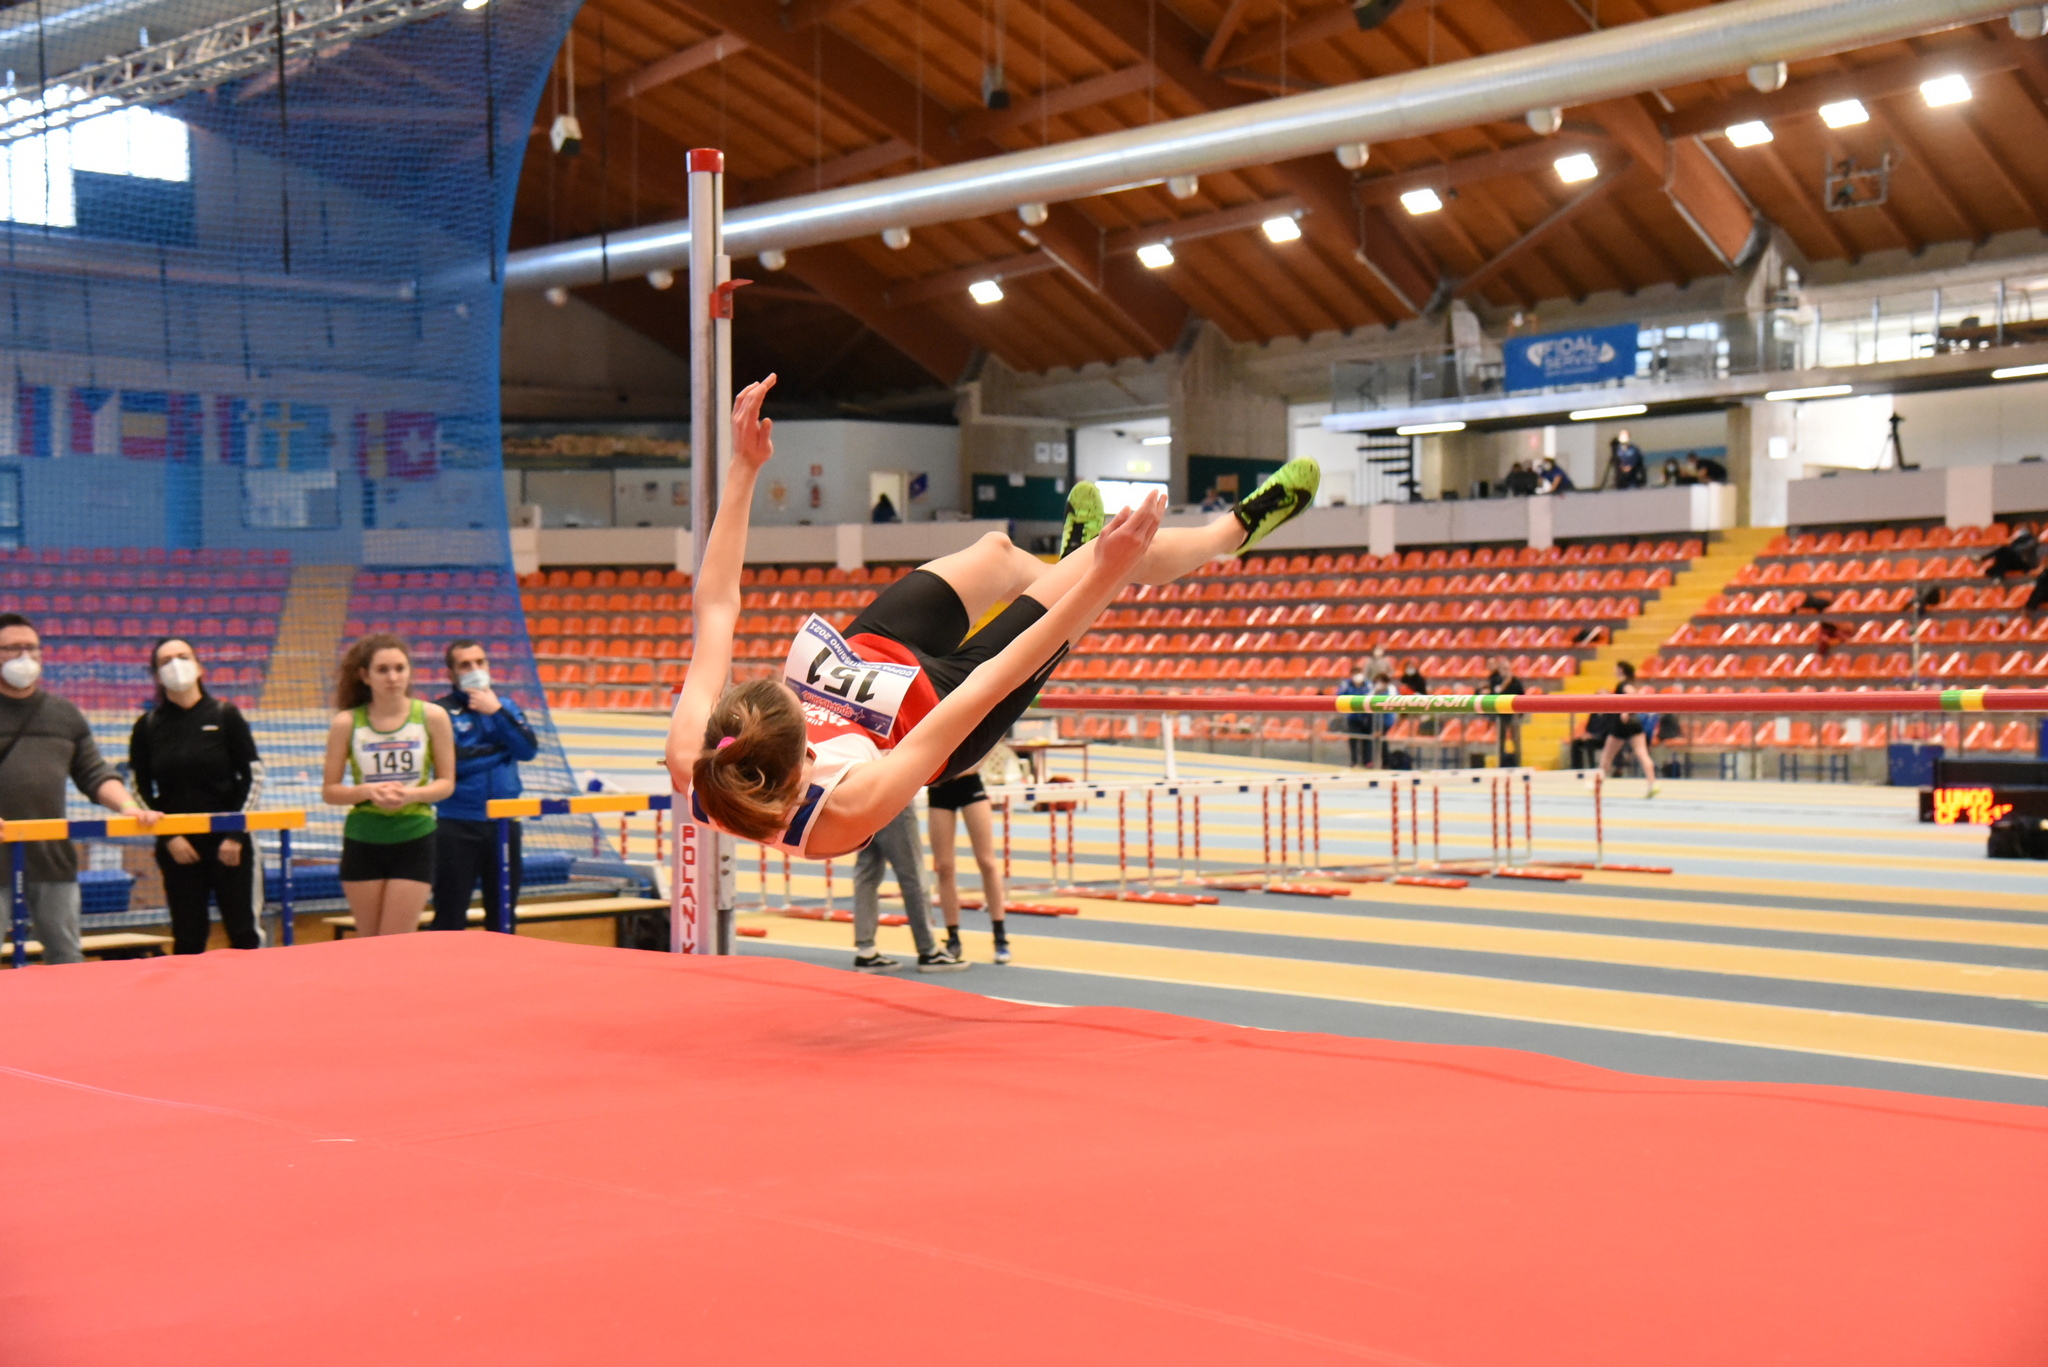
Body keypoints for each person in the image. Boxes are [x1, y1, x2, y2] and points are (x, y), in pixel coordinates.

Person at [666, 374, 1318, 859]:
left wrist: (744, 467)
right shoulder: (845, 809)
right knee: (1108, 554)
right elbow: (991, 682)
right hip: (945, 707)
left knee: (998, 554)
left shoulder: (696, 754)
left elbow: (717, 603)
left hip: (867, 658)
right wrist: (1099, 578)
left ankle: (1068, 566)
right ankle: (1232, 530)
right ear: (803, 761)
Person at [0, 614, 159, 963]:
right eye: (12, 648)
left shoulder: (63, 714)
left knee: (66, 957)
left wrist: (128, 807)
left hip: (51, 860)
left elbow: (93, 773)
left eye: (32, 648)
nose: (24, 656)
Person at [128, 638, 264, 956]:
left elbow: (253, 777)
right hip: (179, 848)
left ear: (199, 666)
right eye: (166, 661)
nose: (176, 665)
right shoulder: (147, 726)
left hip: (230, 845)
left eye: (183, 656)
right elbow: (139, 788)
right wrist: (169, 836)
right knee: (188, 937)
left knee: (244, 933)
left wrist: (234, 835)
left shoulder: (226, 715)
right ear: (156, 675)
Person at [322, 635, 456, 937]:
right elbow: (330, 791)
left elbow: (446, 783)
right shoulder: (347, 723)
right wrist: (368, 792)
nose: (393, 677)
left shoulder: (432, 717)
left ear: (409, 672)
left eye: (400, 668)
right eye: (383, 670)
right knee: (369, 941)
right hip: (363, 839)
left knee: (397, 940)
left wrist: (410, 795)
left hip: (415, 837)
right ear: (365, 675)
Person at [430, 639, 540, 933]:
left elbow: (528, 749)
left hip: (504, 826)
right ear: (451, 673)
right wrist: (504, 749)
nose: (475, 669)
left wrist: (496, 713)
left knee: (503, 917)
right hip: (457, 825)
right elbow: (453, 763)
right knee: (450, 916)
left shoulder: (506, 707)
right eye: (465, 665)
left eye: (480, 662)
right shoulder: (439, 712)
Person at [850, 804, 957, 971]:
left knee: (867, 871)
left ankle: (866, 950)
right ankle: (928, 949)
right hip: (894, 802)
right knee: (912, 873)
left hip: (865, 803)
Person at [927, 770, 1010, 965]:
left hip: (969, 783)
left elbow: (986, 748)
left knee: (987, 861)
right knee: (944, 866)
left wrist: (972, 765)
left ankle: (1000, 936)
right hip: (940, 788)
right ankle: (953, 937)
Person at [1599, 666, 1658, 799]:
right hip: (1634, 723)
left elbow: (1633, 694)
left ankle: (1598, 784)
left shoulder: (1624, 684)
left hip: (1622, 724)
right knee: (1642, 753)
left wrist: (1626, 711)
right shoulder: (1627, 684)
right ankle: (1652, 783)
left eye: (1616, 668)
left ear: (1621, 670)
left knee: (1607, 755)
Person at [1483, 654, 1526, 767]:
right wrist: (1505, 682)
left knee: (1516, 739)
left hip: (1513, 714)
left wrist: (1520, 713)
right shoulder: (1495, 680)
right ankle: (1500, 763)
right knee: (1500, 740)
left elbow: (1522, 696)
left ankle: (1518, 763)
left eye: (1507, 668)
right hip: (1501, 714)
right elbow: (1495, 693)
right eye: (1503, 668)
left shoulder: (1516, 681)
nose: (1505, 671)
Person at [1340, 658, 1374, 767]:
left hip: (1366, 716)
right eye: (1354, 673)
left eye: (1358, 673)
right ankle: (1354, 761)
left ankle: (1367, 761)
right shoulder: (1346, 684)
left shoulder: (1368, 684)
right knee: (1353, 739)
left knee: (1367, 740)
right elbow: (1339, 696)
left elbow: (1372, 697)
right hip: (1353, 717)